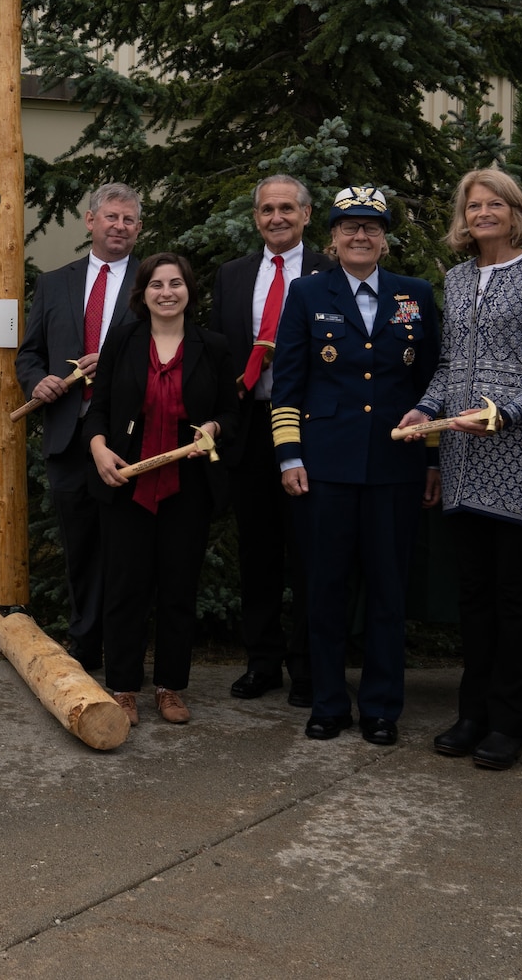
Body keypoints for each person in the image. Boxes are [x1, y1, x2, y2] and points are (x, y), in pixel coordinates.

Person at [398, 169, 522, 772]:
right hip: (462, 456)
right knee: (473, 594)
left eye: (494, 203)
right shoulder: (456, 278)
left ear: (515, 210)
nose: (483, 213)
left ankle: (509, 723)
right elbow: (450, 364)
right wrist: (426, 407)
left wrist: (509, 410)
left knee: (516, 596)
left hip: (518, 454)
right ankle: (471, 713)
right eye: (473, 205)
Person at [270, 186, 441, 746]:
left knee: (390, 592)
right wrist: (289, 454)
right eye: (349, 227)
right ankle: (326, 702)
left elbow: (433, 384)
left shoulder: (414, 295)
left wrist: (434, 459)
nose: (360, 236)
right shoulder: (305, 292)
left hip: (396, 466)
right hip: (325, 467)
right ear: (333, 237)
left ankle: (381, 707)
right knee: (326, 589)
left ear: (385, 237)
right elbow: (288, 383)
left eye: (371, 226)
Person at [85, 252, 236, 725]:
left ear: (189, 291)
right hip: (127, 480)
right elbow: (99, 407)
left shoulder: (212, 346)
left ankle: (170, 688)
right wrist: (98, 449)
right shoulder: (122, 340)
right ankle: (124, 688)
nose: (166, 292)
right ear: (143, 293)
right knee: (125, 588)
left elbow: (232, 413)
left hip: (186, 484)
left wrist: (211, 424)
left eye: (175, 283)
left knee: (177, 588)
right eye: (156, 285)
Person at [208, 174, 334, 706]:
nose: (276, 217)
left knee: (310, 552)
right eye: (267, 210)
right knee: (257, 552)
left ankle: (307, 667)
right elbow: (217, 353)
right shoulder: (232, 276)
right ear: (255, 218)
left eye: (287, 208)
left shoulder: (332, 273)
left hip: (312, 428)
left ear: (307, 215)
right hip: (250, 427)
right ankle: (262, 662)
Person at [14, 183, 143, 671]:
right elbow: (28, 354)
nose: (119, 226)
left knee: (126, 549)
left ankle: (125, 655)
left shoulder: (152, 283)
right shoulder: (54, 283)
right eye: (111, 217)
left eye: (129, 220)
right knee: (81, 547)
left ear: (138, 229)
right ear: (90, 221)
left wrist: (111, 362)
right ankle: (85, 650)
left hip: (126, 438)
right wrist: (37, 382)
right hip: (68, 435)